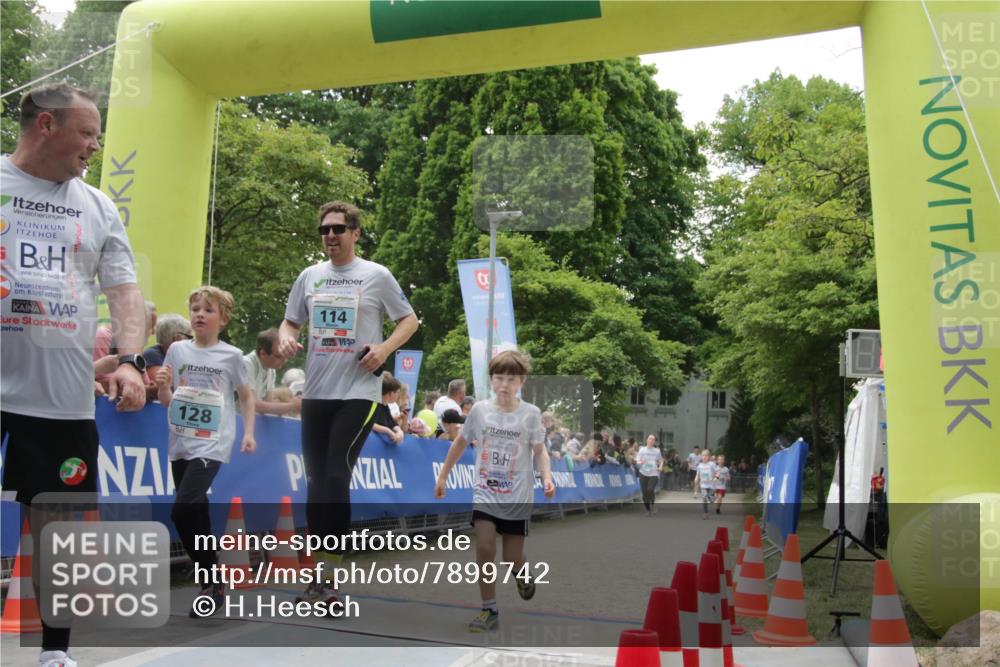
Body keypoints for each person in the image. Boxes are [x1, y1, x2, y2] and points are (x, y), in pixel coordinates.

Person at [1, 83, 147, 667]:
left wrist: (132, 360)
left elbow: (125, 292)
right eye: (86, 132)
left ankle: (54, 653)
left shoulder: (98, 206)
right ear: (45, 126)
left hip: (60, 400)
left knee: (57, 530)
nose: (94, 144)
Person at [277, 200, 418, 603]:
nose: (330, 236)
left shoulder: (376, 275)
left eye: (338, 229)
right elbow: (291, 320)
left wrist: (384, 348)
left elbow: (409, 320)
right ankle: (316, 573)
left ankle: (330, 577)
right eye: (324, 230)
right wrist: (286, 336)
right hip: (317, 393)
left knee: (337, 476)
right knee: (316, 481)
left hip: (358, 392)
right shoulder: (310, 276)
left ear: (355, 233)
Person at [434, 349, 554, 632]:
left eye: (512, 379)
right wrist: (443, 476)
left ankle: (520, 570)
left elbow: (540, 451)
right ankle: (489, 609)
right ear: (491, 380)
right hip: (485, 492)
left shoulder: (530, 414)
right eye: (499, 378)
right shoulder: (479, 411)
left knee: (511, 557)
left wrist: (547, 477)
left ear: (521, 382)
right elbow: (460, 443)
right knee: (485, 546)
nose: (504, 384)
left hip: (517, 496)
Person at [155, 286, 256, 618]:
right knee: (195, 512)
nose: (199, 314)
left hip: (213, 443)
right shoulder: (177, 351)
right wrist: (162, 386)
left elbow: (246, 396)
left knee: (182, 510)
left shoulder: (232, 356)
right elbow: (168, 401)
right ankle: (212, 584)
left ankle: (210, 577)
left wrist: (249, 433)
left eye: (208, 310)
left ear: (223, 319)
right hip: (180, 442)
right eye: (195, 308)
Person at [244, 328, 299, 417]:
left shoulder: (271, 370)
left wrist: (287, 404)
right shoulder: (246, 364)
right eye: (279, 356)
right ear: (263, 353)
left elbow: (268, 402)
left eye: (285, 356)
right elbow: (250, 403)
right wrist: (291, 406)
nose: (285, 360)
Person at [143, 313, 193, 400]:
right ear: (177, 338)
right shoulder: (152, 355)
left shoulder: (177, 356)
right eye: (190, 337)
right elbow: (164, 387)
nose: (192, 342)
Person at [371, 373, 404, 445]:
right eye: (398, 392)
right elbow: (369, 424)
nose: (398, 395)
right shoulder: (373, 404)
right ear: (391, 393)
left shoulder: (385, 406)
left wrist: (399, 432)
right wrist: (388, 431)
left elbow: (392, 423)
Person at [636, 434, 663, 516]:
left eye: (653, 439)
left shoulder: (657, 451)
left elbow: (661, 460)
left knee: (650, 490)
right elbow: (637, 461)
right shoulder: (642, 450)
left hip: (654, 473)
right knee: (644, 493)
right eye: (650, 439)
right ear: (647, 440)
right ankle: (648, 510)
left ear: (654, 442)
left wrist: (661, 466)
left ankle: (653, 505)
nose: (651, 441)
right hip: (643, 473)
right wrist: (640, 462)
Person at [696, 449, 718, 520]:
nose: (704, 457)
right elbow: (698, 474)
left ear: (709, 457)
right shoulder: (699, 465)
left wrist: (716, 478)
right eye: (703, 455)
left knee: (711, 501)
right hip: (703, 485)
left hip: (711, 485)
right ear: (701, 456)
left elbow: (718, 472)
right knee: (704, 499)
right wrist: (696, 478)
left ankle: (714, 497)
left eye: (706, 455)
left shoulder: (712, 464)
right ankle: (705, 514)